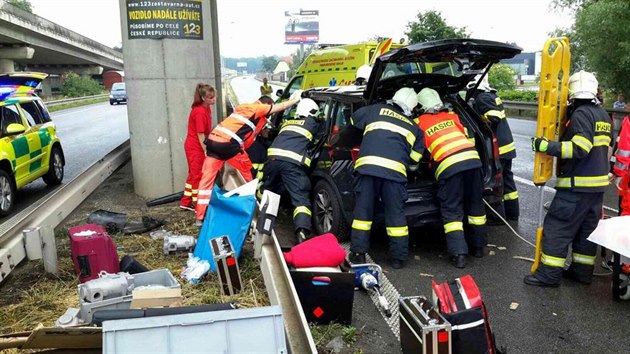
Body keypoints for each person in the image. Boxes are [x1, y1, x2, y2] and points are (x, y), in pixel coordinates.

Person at [526, 70, 612, 287]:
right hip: (596, 188)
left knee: (558, 229)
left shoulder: (581, 113)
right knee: (586, 232)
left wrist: (546, 146)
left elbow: (580, 148)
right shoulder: (602, 115)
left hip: (576, 186)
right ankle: (582, 273)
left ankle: (548, 275)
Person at [195, 91, 302, 225]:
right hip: (229, 145)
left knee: (206, 180)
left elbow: (245, 137)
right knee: (248, 175)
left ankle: (200, 217)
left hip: (212, 141)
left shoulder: (244, 108)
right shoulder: (258, 107)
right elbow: (278, 107)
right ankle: (252, 212)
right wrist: (294, 100)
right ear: (266, 104)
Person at [347, 87, 423, 269]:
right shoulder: (414, 127)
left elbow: (352, 120)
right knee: (396, 216)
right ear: (411, 107)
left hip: (367, 170)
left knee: (363, 214)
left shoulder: (375, 109)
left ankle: (358, 254)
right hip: (394, 175)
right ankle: (398, 258)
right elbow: (414, 161)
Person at [415, 88, 486, 269]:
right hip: (473, 162)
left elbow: (419, 152)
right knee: (476, 206)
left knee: (452, 211)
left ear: (420, 107)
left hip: (449, 166)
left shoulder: (419, 123)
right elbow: (470, 138)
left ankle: (459, 254)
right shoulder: (453, 116)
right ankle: (478, 248)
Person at [261, 98, 326, 242]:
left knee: (270, 191)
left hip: (272, 160)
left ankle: (262, 227)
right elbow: (324, 130)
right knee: (300, 198)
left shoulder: (287, 123)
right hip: (291, 164)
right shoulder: (311, 124)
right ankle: (301, 232)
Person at [470, 75, 519, 220]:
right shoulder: (492, 95)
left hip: (500, 148)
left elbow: (494, 117)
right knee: (508, 181)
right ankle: (512, 213)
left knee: (498, 183)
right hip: (506, 146)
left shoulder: (482, 98)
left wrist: (478, 120)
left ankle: (498, 217)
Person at [180, 83, 216, 211]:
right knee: (197, 176)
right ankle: (197, 205)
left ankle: (185, 202)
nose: (214, 99)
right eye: (210, 98)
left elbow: (207, 131)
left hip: (196, 145)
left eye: (214, 97)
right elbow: (200, 134)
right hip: (195, 147)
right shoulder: (200, 112)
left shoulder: (206, 109)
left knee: (192, 175)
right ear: (203, 98)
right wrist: (206, 150)